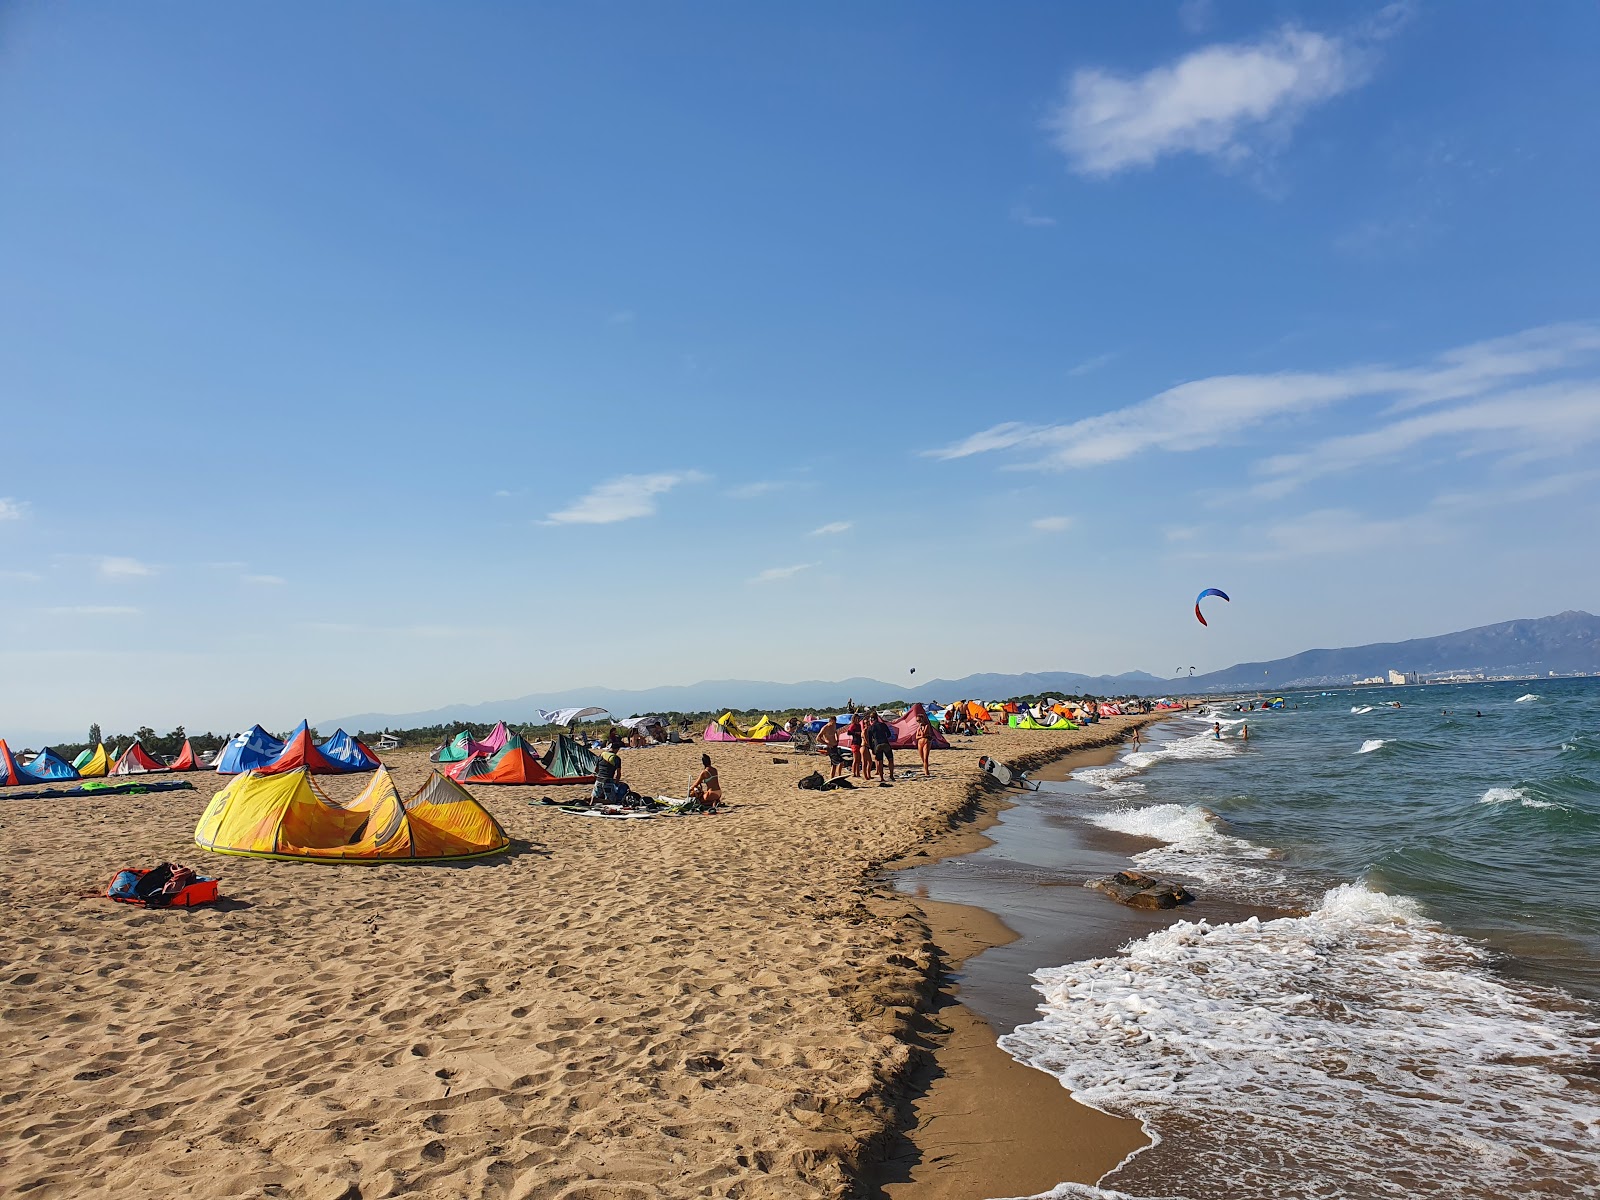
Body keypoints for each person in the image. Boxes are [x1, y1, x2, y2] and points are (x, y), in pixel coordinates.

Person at [868, 711, 894, 784]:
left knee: (880, 761)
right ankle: (891, 775)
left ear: (872, 719)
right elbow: (889, 734)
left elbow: (869, 740)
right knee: (890, 759)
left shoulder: (871, 728)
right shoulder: (883, 725)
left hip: (877, 744)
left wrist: (872, 748)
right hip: (885, 742)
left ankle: (882, 777)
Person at [914, 711, 934, 777]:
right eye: (917, 721)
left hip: (926, 742)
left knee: (925, 758)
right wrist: (921, 735)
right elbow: (916, 737)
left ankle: (926, 772)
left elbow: (923, 733)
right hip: (920, 743)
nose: (918, 722)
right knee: (922, 758)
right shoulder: (918, 727)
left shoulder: (926, 726)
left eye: (919, 720)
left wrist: (920, 728)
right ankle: (925, 769)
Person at [847, 713, 866, 779]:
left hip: (859, 742)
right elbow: (848, 732)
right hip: (854, 743)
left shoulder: (858, 725)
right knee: (855, 759)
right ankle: (853, 772)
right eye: (856, 719)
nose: (858, 720)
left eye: (858, 719)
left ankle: (857, 772)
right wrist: (856, 733)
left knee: (859, 759)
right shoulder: (853, 725)